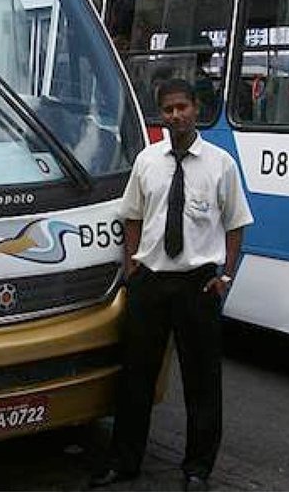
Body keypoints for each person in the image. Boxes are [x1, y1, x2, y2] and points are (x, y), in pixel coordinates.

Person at [90, 78, 253, 492]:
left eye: (182, 107)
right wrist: (131, 269)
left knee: (202, 383)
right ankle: (124, 462)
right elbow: (132, 217)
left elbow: (236, 225)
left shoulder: (221, 165)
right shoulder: (147, 161)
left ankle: (197, 469)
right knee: (135, 379)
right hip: (150, 284)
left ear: (196, 109)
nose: (176, 115)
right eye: (167, 110)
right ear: (160, 114)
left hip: (198, 288)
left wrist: (225, 277)